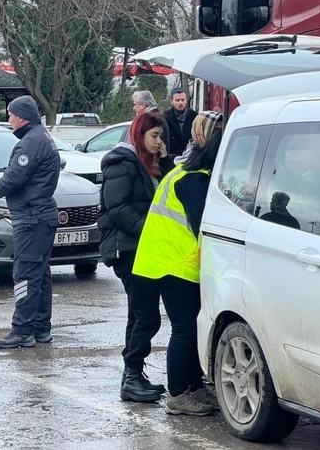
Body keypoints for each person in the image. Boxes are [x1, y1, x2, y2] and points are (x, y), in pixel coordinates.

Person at [132, 126, 225, 417]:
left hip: (161, 259)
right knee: (185, 330)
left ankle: (193, 388)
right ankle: (177, 396)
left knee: (188, 328)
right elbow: (202, 228)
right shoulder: (194, 180)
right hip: (175, 263)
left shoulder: (182, 170)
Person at [97, 111, 167, 403]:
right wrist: (147, 231)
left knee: (137, 315)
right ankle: (132, 376)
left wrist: (163, 159)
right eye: (154, 136)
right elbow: (117, 208)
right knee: (148, 318)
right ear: (139, 135)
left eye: (161, 136)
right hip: (127, 249)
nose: (158, 141)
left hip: (141, 248)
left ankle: (133, 376)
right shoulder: (122, 164)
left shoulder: (146, 164)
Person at [0, 95, 60, 348]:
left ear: (21, 117)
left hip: (31, 218)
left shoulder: (29, 143)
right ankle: (41, 328)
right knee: (40, 275)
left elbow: (13, 178)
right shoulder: (42, 137)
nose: (9, 120)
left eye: (10, 115)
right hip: (41, 216)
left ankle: (22, 330)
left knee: (24, 275)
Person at [162, 88, 198, 161]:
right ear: (172, 101)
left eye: (183, 100)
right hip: (172, 158)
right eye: (177, 100)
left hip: (191, 158)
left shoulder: (195, 116)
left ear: (186, 100)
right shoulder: (165, 118)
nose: (180, 103)